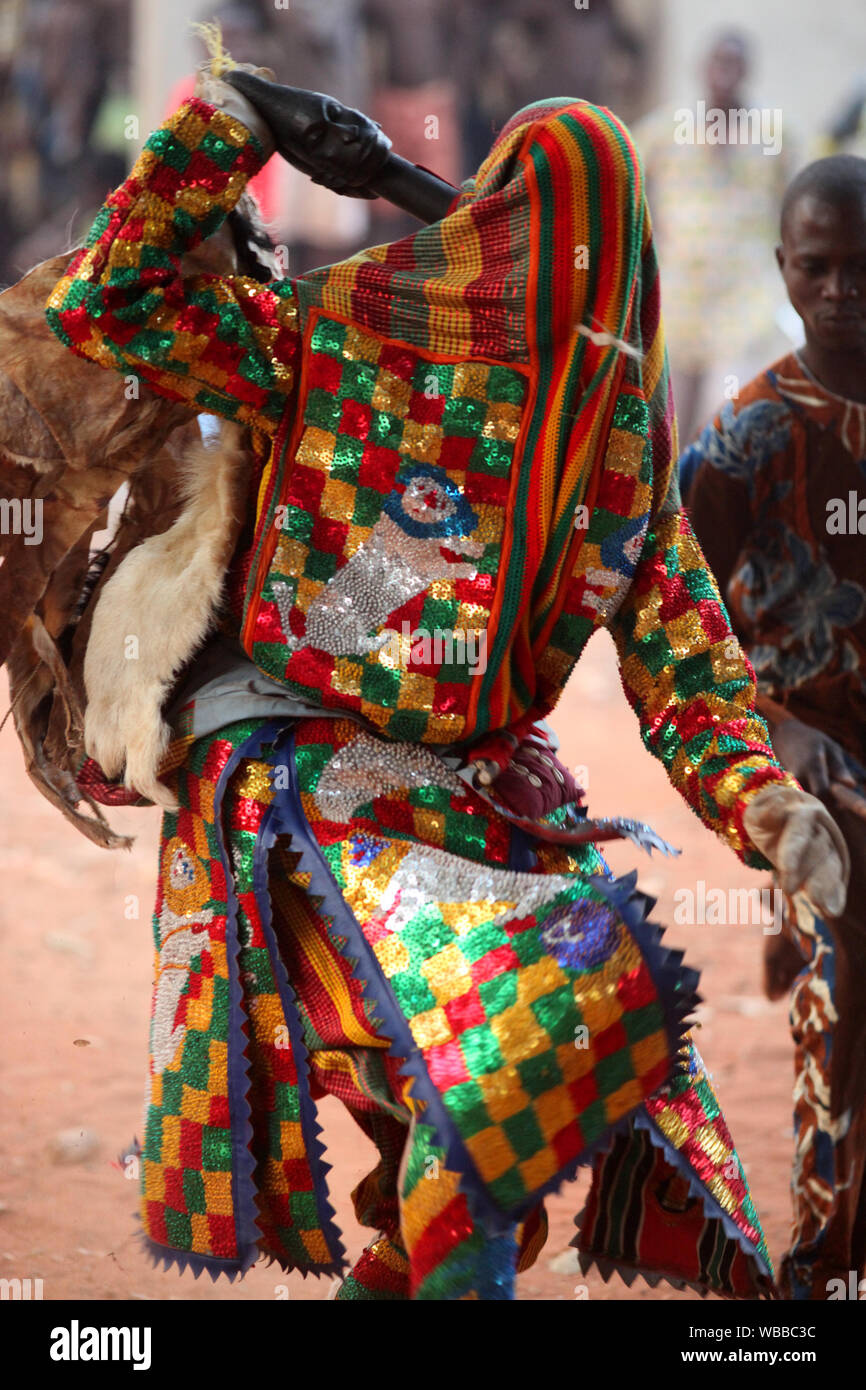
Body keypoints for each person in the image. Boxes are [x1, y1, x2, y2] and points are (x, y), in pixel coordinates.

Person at [38, 49, 847, 1300]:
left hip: (470, 795)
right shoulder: (347, 335)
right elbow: (108, 304)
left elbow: (685, 665)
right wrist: (227, 125)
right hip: (303, 775)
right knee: (492, 1109)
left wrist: (762, 802)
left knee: (503, 1145)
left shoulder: (616, 439)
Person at [681, 154, 866, 1301]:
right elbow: (680, 628)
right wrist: (766, 738)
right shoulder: (744, 439)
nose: (842, 288)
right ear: (783, 273)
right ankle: (824, 1265)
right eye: (817, 267)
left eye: (863, 267)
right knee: (845, 1003)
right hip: (815, 765)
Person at [637, 31, 796, 444]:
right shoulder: (668, 128)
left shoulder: (773, 134)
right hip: (679, 300)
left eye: (734, 62)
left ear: (746, 71)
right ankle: (671, 508)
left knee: (721, 422)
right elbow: (623, 173)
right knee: (666, 427)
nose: (725, 71)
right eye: (717, 61)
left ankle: (710, 505)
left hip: (744, 305)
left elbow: (798, 203)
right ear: (702, 69)